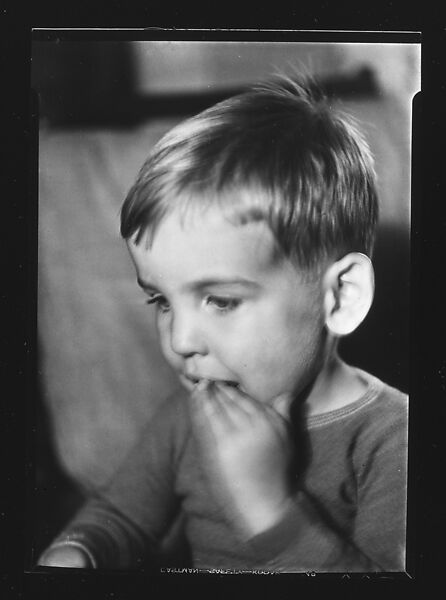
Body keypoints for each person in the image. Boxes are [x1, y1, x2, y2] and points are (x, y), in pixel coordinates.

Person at [37, 75, 408, 573]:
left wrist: (269, 512)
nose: (180, 339)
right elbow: (120, 517)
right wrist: (78, 551)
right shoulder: (189, 416)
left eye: (221, 300)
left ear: (340, 296)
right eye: (161, 302)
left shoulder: (394, 439)